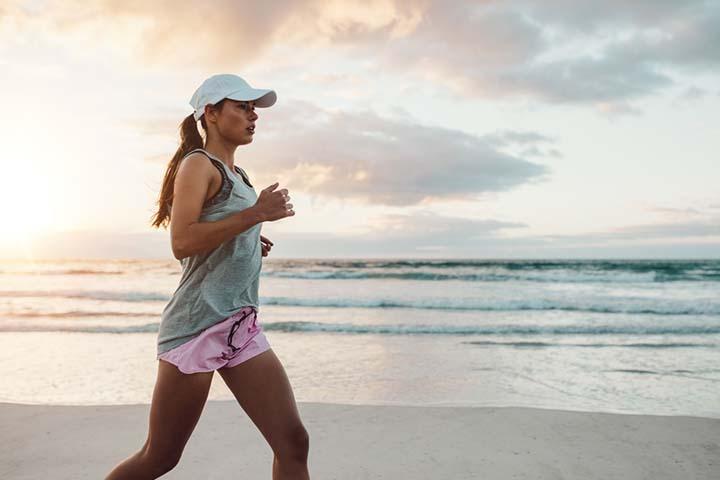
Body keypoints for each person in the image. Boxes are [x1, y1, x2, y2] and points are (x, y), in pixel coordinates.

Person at [105, 74, 309, 480]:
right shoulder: (197, 164)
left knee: (293, 442)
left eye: (255, 109)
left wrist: (251, 236)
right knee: (160, 457)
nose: (253, 116)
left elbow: (217, 225)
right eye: (243, 106)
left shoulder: (240, 174)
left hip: (240, 326)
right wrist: (254, 215)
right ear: (211, 114)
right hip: (198, 327)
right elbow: (181, 241)